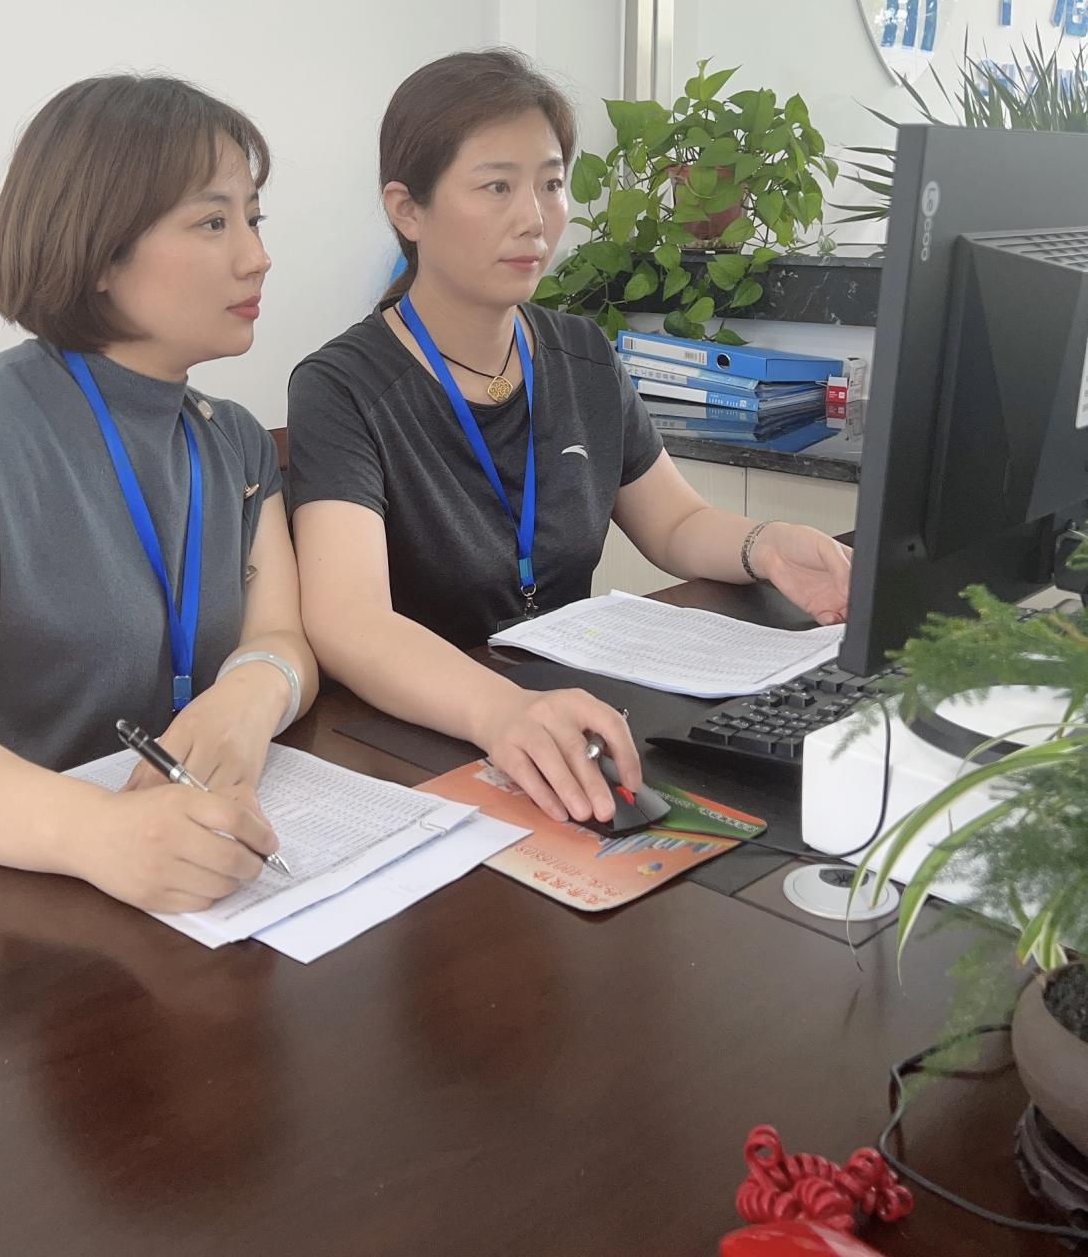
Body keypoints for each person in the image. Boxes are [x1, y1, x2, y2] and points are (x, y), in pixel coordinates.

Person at [286, 49, 850, 827]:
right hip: (423, 746)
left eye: (550, 184)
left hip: (572, 724)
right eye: (496, 187)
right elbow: (349, 621)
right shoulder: (341, 387)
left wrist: (766, 546)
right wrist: (499, 710)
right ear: (407, 209)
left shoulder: (580, 354)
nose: (535, 218)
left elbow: (676, 523)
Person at [0, 75, 317, 914]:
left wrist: (251, 693)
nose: (256, 256)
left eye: (254, 218)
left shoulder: (232, 438)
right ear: (98, 254)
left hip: (162, 882)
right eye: (213, 222)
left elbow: (280, 635)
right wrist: (99, 834)